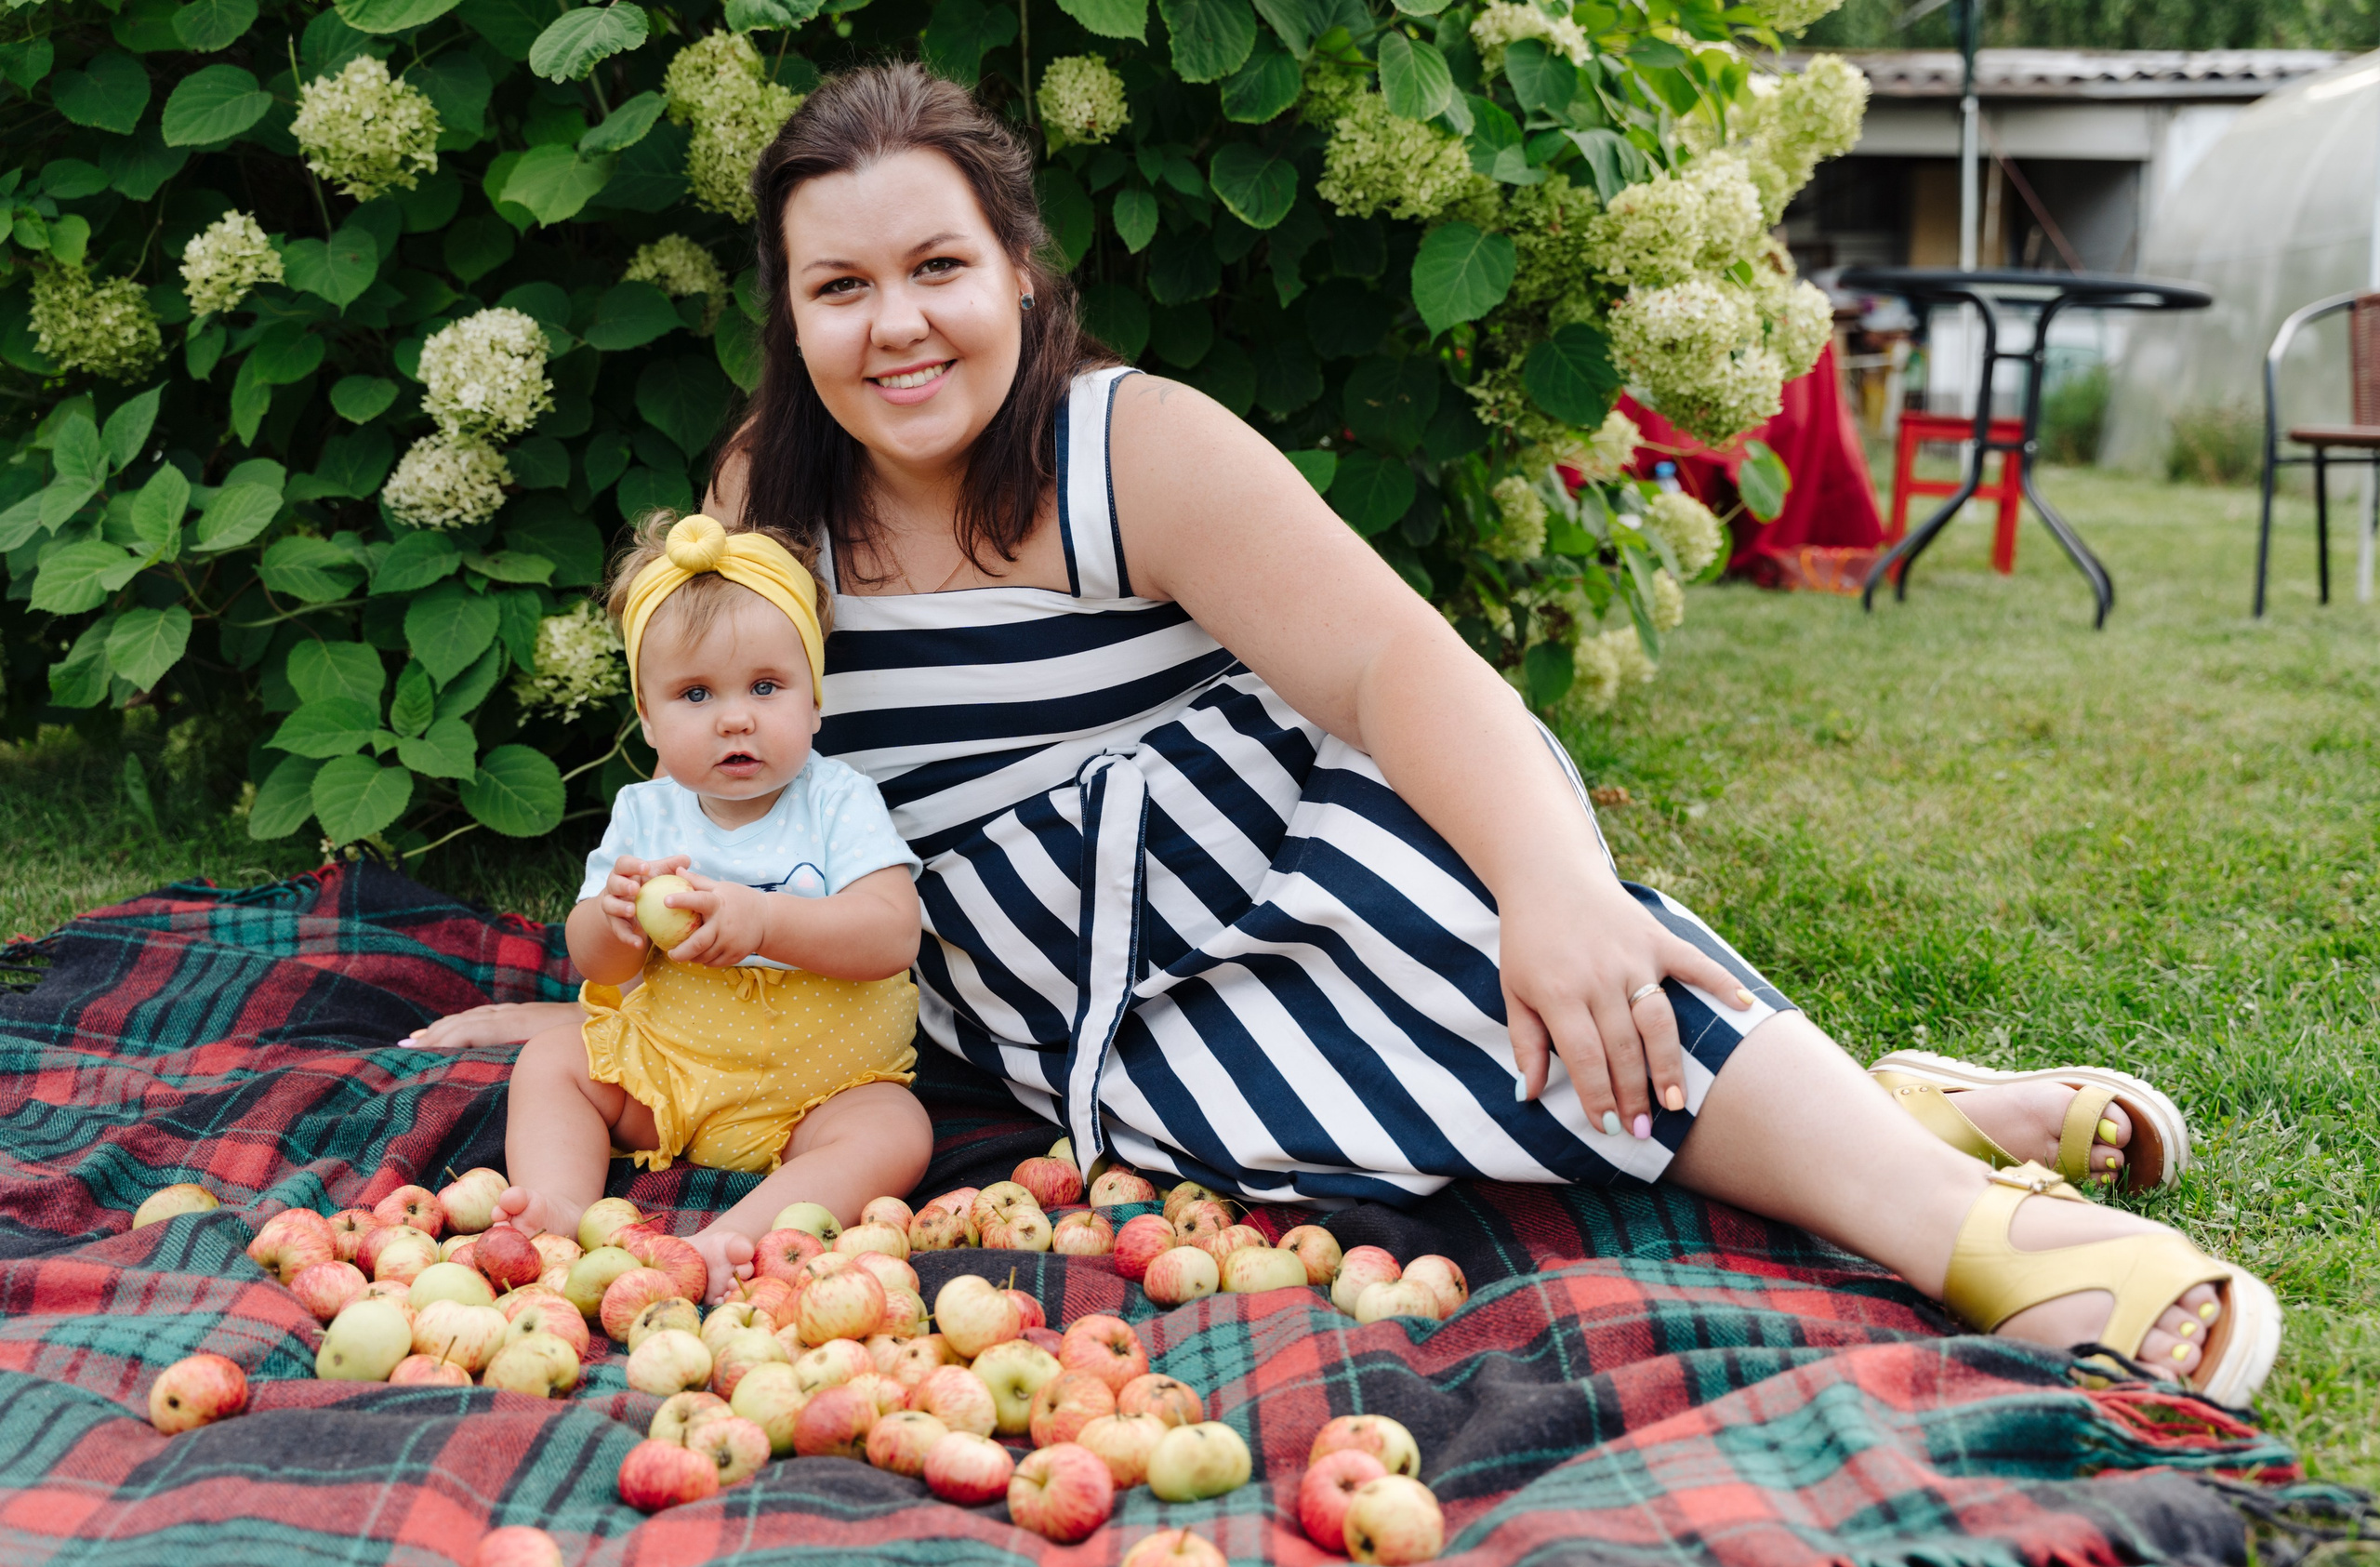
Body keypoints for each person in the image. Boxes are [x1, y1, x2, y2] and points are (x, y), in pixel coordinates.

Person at [411, 62, 2278, 1401]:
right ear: (788, 313)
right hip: (1020, 983)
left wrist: (1553, 883)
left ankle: (1957, 1218)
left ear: (1021, 277)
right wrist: (611, 1012)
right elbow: (731, 775)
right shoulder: (769, 493)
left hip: (1259, 870)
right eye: (839, 287)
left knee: (1510, 988)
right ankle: (1880, 1097)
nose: (895, 325)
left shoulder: (1129, 442)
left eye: (937, 268)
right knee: (1344, 1133)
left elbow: (1402, 666)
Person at [485, 512, 929, 1301]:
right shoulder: (646, 812)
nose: (735, 717)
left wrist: (767, 923)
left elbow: (893, 932)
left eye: (766, 687)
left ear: (814, 701)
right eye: (696, 693)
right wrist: (615, 919)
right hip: (673, 1073)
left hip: (823, 1089)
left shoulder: (839, 801)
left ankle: (736, 1235)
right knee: (553, 1062)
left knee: (896, 1130)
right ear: (648, 718)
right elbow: (596, 962)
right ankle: (558, 1203)